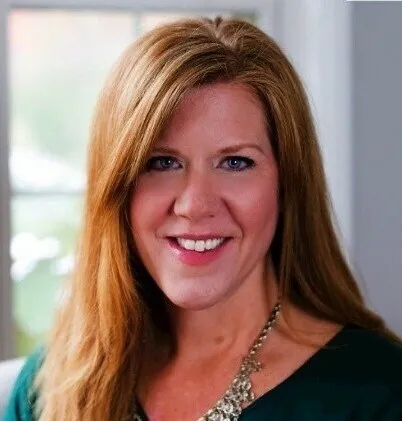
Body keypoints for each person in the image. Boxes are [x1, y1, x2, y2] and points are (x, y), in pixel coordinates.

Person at [4, 16, 402, 421]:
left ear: (288, 184)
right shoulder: (49, 386)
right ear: (117, 187)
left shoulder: (382, 394)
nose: (194, 204)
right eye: (162, 162)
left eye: (235, 162)